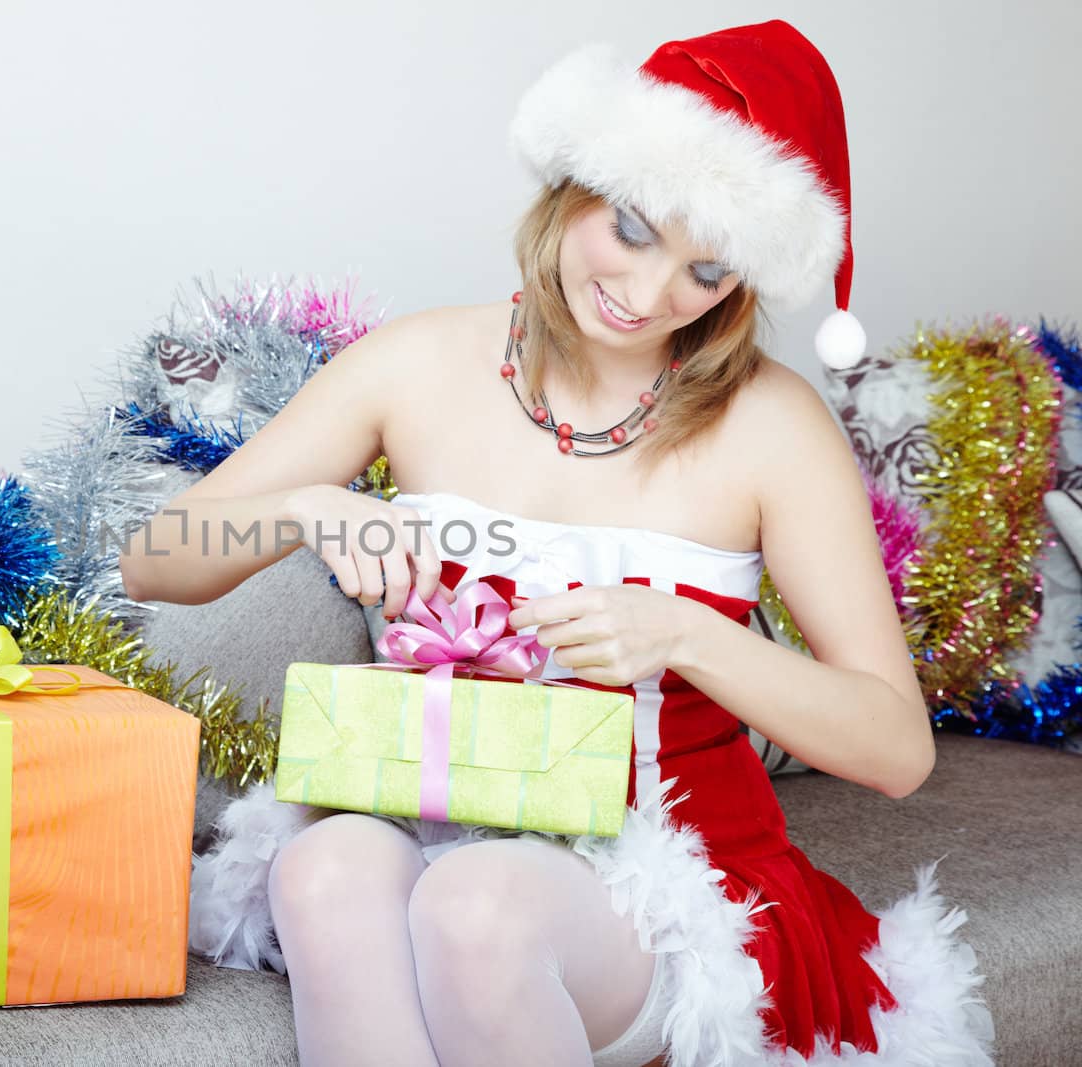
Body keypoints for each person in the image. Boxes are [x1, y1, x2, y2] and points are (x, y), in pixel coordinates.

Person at [120, 19, 995, 1067]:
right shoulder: (418, 363)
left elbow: (896, 746)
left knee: (476, 906)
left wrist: (684, 634)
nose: (645, 291)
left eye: (702, 268)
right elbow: (157, 558)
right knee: (322, 868)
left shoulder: (771, 427)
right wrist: (306, 506)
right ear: (575, 186)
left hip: (666, 878)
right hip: (435, 816)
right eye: (630, 227)